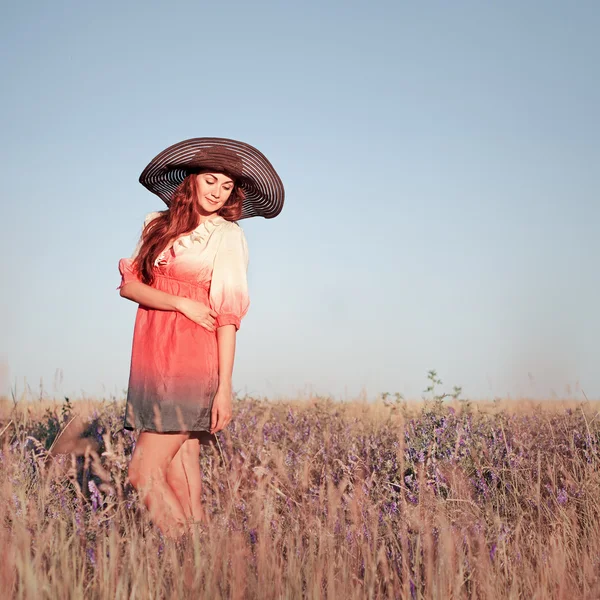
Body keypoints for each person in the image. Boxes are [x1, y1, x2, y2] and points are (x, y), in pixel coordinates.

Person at [117, 138, 284, 536]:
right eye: (211, 180)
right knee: (181, 476)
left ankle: (181, 554)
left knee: (142, 474)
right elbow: (130, 287)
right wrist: (181, 303)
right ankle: (207, 568)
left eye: (226, 186)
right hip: (151, 357)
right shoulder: (155, 224)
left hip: (191, 360)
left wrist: (225, 387)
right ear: (191, 180)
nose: (217, 192)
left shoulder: (227, 236)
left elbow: (228, 315)